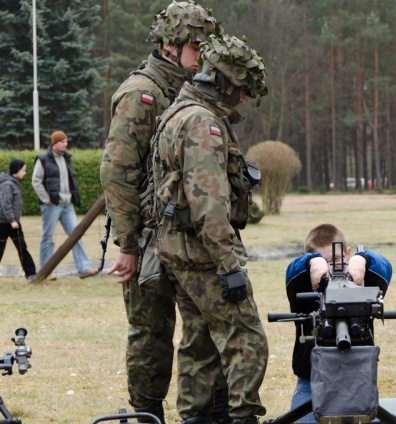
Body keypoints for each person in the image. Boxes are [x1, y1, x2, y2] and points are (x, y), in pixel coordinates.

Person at [99, 2, 226, 422]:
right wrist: (130, 243)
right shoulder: (142, 93)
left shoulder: (191, 89)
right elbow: (117, 174)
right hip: (151, 238)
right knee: (151, 332)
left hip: (189, 238)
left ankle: (202, 413)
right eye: (196, 47)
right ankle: (147, 414)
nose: (202, 56)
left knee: (203, 329)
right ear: (172, 44)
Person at [152, 33, 269, 424]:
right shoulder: (202, 123)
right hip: (204, 254)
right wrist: (230, 266)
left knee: (199, 340)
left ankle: (197, 417)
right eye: (239, 91)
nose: (241, 101)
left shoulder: (178, 111)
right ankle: (241, 417)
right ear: (222, 82)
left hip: (179, 251)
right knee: (246, 338)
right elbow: (209, 204)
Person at [285, 223, 392, 423]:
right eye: (325, 261)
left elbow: (385, 266)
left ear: (348, 254)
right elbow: (292, 271)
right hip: (312, 381)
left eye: (336, 260)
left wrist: (363, 259)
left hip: (357, 382)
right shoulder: (302, 283)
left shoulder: (363, 277)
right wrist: (313, 263)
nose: (332, 267)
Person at [31, 131, 100, 280]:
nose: (65, 144)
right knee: (48, 237)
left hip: (67, 204)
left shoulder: (66, 158)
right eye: (62, 141)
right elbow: (35, 181)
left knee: (76, 235)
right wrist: (47, 199)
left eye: (66, 141)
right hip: (51, 205)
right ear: (54, 143)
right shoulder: (43, 159)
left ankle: (84, 268)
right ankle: (45, 271)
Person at [0, 159, 37, 280]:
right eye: (23, 170)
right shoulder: (7, 185)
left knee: (22, 248)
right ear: (16, 171)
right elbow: (5, 204)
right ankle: (30, 273)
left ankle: (31, 273)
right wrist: (12, 220)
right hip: (5, 223)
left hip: (14, 223)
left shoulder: (15, 183)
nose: (25, 173)